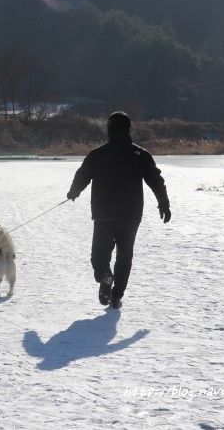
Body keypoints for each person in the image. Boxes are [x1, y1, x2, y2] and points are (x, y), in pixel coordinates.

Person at [67, 111, 171, 309]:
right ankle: (116, 296)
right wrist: (164, 203)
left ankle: (104, 275)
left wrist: (74, 192)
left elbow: (82, 175)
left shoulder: (97, 154)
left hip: (103, 214)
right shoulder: (141, 154)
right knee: (124, 255)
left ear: (109, 129)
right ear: (129, 129)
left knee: (99, 254)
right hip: (131, 215)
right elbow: (156, 181)